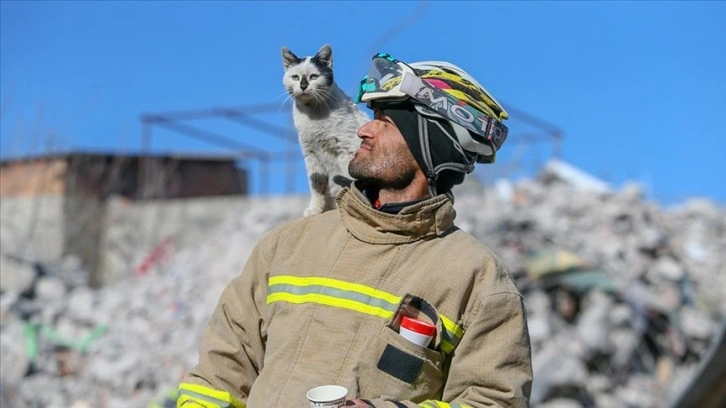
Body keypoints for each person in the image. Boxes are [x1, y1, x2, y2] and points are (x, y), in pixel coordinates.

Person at [177, 53, 532, 408]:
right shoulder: (287, 245)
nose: (364, 128)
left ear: (431, 145)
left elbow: (494, 400)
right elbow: (218, 375)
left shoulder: (476, 279)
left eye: (387, 122)